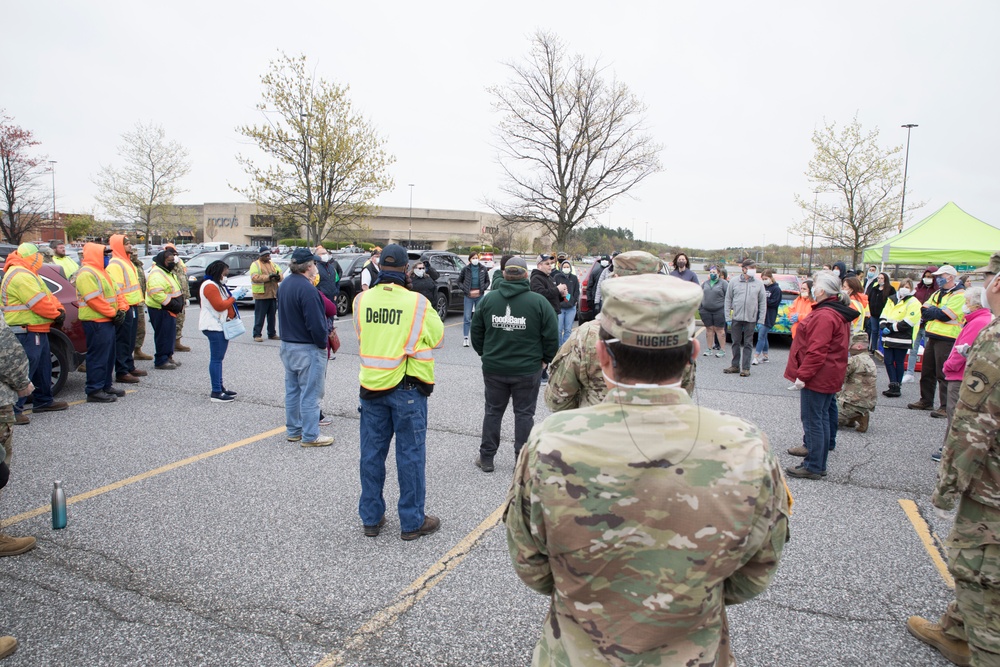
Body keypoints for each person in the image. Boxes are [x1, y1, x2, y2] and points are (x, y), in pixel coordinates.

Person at [505, 273, 791, 667]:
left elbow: (532, 566)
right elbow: (754, 574)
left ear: (604, 355)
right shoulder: (745, 444)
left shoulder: (550, 442)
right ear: (693, 351)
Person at [907, 251, 1000, 667]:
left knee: (978, 568)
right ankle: (954, 630)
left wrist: (946, 487)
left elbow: (974, 423)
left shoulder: (996, 338)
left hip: (991, 486)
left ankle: (981, 648)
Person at [354, 244, 443, 540]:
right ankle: (412, 522)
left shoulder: (361, 301)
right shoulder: (416, 302)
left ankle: (371, 517)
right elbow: (438, 337)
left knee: (371, 455)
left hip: (371, 388)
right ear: (406, 269)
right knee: (410, 455)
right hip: (407, 389)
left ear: (379, 268)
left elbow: (363, 336)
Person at [545, 251, 696, 411]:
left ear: (614, 282)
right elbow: (684, 393)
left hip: (597, 429)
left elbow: (557, 399)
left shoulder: (587, 335)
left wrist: (586, 417)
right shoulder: (677, 336)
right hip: (658, 430)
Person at [471, 256, 558, 472]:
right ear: (526, 275)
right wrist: (545, 360)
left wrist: (486, 353)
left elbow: (476, 332)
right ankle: (521, 461)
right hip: (527, 370)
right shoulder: (539, 302)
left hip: (495, 368)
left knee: (493, 412)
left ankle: (487, 457)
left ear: (504, 275)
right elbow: (551, 336)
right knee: (524, 414)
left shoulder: (488, 300)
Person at [783, 271, 859, 478]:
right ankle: (818, 460)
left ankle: (814, 465)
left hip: (819, 375)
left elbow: (817, 351)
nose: (813, 288)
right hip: (829, 372)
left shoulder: (825, 315)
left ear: (822, 290)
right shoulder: (833, 311)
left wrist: (803, 376)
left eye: (815, 285)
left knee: (813, 419)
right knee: (822, 417)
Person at [0, 243, 69, 423]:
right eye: (38, 255)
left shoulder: (29, 274)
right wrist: (56, 314)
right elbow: (38, 303)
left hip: (36, 329)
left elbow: (49, 297)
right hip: (26, 330)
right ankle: (15, 410)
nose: (41, 258)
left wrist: (59, 310)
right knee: (26, 369)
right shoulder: (20, 275)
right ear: (31, 256)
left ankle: (43, 400)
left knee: (42, 367)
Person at [276, 248, 333, 447]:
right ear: (308, 266)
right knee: (310, 393)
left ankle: (294, 430)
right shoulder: (308, 289)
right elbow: (316, 323)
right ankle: (310, 435)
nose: (317, 267)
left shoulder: (285, 285)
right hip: (306, 347)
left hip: (288, 344)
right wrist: (321, 344)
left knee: (292, 390)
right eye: (315, 264)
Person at [931, 286, 992, 463]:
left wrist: (948, 366)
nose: (965, 305)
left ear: (976, 304)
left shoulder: (978, 321)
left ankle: (951, 450)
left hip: (959, 374)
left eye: (967, 302)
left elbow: (963, 349)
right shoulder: (979, 319)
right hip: (962, 373)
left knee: (956, 414)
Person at [909, 265, 966, 419]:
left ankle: (945, 406)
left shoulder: (960, 295)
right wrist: (936, 312)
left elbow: (945, 315)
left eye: (941, 275)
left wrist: (936, 312)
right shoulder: (938, 293)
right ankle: (926, 400)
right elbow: (924, 309)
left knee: (943, 372)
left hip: (948, 338)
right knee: (928, 370)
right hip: (933, 334)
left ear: (951, 277)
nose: (937, 278)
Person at [77, 243, 127, 401]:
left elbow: (117, 293)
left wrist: (121, 310)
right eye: (104, 254)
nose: (107, 257)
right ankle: (94, 390)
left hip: (107, 320)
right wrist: (114, 313)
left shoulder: (103, 272)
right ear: (95, 254)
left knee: (108, 356)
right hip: (96, 321)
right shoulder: (86, 273)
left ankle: (105, 385)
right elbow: (94, 300)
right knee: (98, 356)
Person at [199, 260, 248, 403]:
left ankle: (220, 387)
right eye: (225, 273)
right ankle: (216, 392)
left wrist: (232, 296)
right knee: (216, 359)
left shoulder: (216, 285)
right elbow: (220, 306)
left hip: (218, 325)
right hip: (214, 326)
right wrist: (234, 297)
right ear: (218, 272)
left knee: (218, 359)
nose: (226, 275)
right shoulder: (210, 286)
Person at [106, 235, 147, 384]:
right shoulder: (115, 264)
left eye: (130, 243)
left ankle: (129, 366)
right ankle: (122, 371)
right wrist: (122, 307)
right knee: (123, 340)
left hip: (133, 304)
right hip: (125, 307)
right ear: (118, 246)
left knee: (130, 339)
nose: (130, 246)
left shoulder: (127, 262)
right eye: (127, 244)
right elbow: (117, 289)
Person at [723, 258, 766, 377]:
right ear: (744, 269)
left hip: (751, 319)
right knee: (735, 342)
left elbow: (763, 302)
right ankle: (735, 365)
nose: (753, 270)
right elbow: (728, 299)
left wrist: (761, 319)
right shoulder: (734, 281)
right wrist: (728, 317)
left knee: (748, 343)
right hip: (736, 317)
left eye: (754, 268)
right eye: (750, 268)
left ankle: (746, 368)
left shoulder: (759, 283)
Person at [879, 279, 921, 398]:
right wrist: (883, 325)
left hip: (902, 337)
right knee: (888, 361)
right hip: (889, 336)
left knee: (898, 361)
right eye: (903, 286)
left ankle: (896, 386)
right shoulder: (891, 299)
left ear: (911, 288)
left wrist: (891, 328)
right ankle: (893, 384)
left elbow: (909, 321)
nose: (904, 288)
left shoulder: (914, 302)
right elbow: (884, 314)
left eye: (907, 287)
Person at [145, 247, 184, 370]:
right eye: (169, 261)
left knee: (169, 335)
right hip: (161, 309)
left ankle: (168, 356)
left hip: (169, 309)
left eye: (173, 260)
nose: (172, 263)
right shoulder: (157, 274)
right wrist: (172, 304)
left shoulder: (166, 271)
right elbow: (156, 293)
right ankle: (161, 360)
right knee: (163, 335)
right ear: (163, 261)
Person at [836, 332, 877, 433]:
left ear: (858, 346)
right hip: (867, 401)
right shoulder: (869, 360)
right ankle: (857, 416)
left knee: (826, 419)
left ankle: (854, 416)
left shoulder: (854, 360)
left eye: (851, 344)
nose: (849, 347)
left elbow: (838, 378)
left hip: (853, 401)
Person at [249, 246, 282, 342]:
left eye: (269, 255)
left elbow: (280, 273)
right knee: (260, 316)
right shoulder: (255, 264)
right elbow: (255, 277)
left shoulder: (273, 264)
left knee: (272, 316)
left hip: (272, 294)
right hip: (261, 294)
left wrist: (277, 277)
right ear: (261, 255)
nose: (268, 257)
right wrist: (268, 277)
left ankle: (272, 333)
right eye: (266, 255)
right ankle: (257, 334)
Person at [458, 252, 490, 347]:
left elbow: (487, 281)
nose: (475, 259)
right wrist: (465, 289)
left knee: (479, 317)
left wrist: (483, 288)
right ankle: (466, 338)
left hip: (479, 295)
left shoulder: (483, 269)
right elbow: (459, 281)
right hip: (468, 296)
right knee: (467, 317)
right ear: (470, 259)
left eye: (476, 258)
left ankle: (480, 338)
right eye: (473, 258)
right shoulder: (465, 269)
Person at [165, 243, 191, 352]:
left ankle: (177, 342)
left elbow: (183, 279)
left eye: (175, 254)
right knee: (172, 322)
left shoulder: (179, 264)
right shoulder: (167, 265)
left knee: (180, 320)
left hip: (182, 296)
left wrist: (186, 296)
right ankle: (170, 344)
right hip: (173, 297)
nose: (174, 256)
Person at [752, 268, 782, 365]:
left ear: (771, 278)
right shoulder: (763, 287)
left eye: (766, 278)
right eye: (763, 278)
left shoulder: (776, 289)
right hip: (760, 315)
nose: (764, 280)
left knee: (761, 335)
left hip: (769, 316)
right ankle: (765, 356)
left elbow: (774, 302)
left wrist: (763, 302)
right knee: (764, 336)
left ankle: (756, 356)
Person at [129, 246, 153, 361]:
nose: (134, 255)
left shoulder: (139, 265)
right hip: (131, 302)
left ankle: (137, 350)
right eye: (132, 253)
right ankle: (128, 353)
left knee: (141, 329)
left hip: (140, 300)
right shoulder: (126, 265)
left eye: (136, 253)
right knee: (131, 330)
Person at [700, 265, 728, 358]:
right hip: (706, 310)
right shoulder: (705, 283)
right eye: (711, 272)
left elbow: (728, 297)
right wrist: (701, 308)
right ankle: (709, 349)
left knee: (719, 330)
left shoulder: (723, 283)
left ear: (719, 273)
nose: (712, 274)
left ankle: (722, 349)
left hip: (719, 310)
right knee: (709, 329)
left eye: (714, 272)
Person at [866, 271, 896, 353]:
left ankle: (881, 349)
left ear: (885, 279)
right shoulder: (874, 289)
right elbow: (869, 300)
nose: (880, 280)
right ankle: (873, 348)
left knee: (881, 331)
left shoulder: (890, 289)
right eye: (878, 278)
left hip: (884, 315)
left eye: (882, 278)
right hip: (874, 314)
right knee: (874, 331)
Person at [552, 258, 579, 347]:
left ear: (570, 268)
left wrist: (573, 301)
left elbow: (576, 292)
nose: (566, 268)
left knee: (568, 329)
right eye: (564, 267)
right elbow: (554, 291)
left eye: (568, 267)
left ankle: (565, 347)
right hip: (560, 308)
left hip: (571, 308)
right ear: (561, 267)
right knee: (559, 329)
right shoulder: (557, 277)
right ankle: (559, 347)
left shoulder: (574, 278)